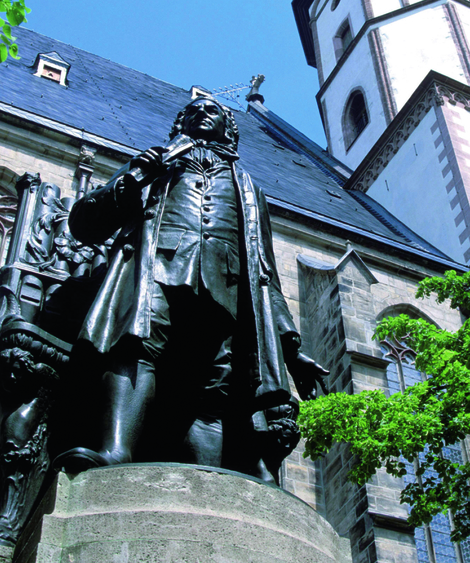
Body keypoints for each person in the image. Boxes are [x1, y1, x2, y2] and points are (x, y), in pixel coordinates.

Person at [59, 96, 327, 483]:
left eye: (212, 111)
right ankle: (116, 450)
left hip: (226, 285)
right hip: (157, 267)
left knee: (214, 385)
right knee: (136, 346)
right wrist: (134, 177)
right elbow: (85, 224)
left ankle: (208, 478)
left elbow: (265, 271)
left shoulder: (249, 188)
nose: (201, 112)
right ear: (180, 124)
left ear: (229, 129)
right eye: (193, 111)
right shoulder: (157, 163)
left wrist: (291, 348)